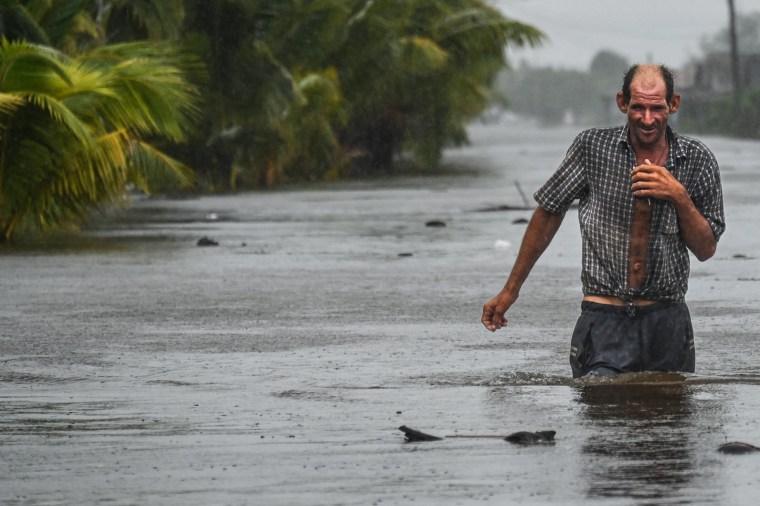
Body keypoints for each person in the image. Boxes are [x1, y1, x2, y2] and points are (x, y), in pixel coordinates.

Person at [481, 64, 726, 378]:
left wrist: (678, 196)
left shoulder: (697, 159)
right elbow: (548, 213)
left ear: (673, 104)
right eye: (638, 107)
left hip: (667, 319)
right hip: (604, 316)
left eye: (657, 108)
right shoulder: (592, 148)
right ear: (622, 103)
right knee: (602, 415)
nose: (647, 119)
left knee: (668, 419)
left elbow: (706, 248)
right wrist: (510, 291)